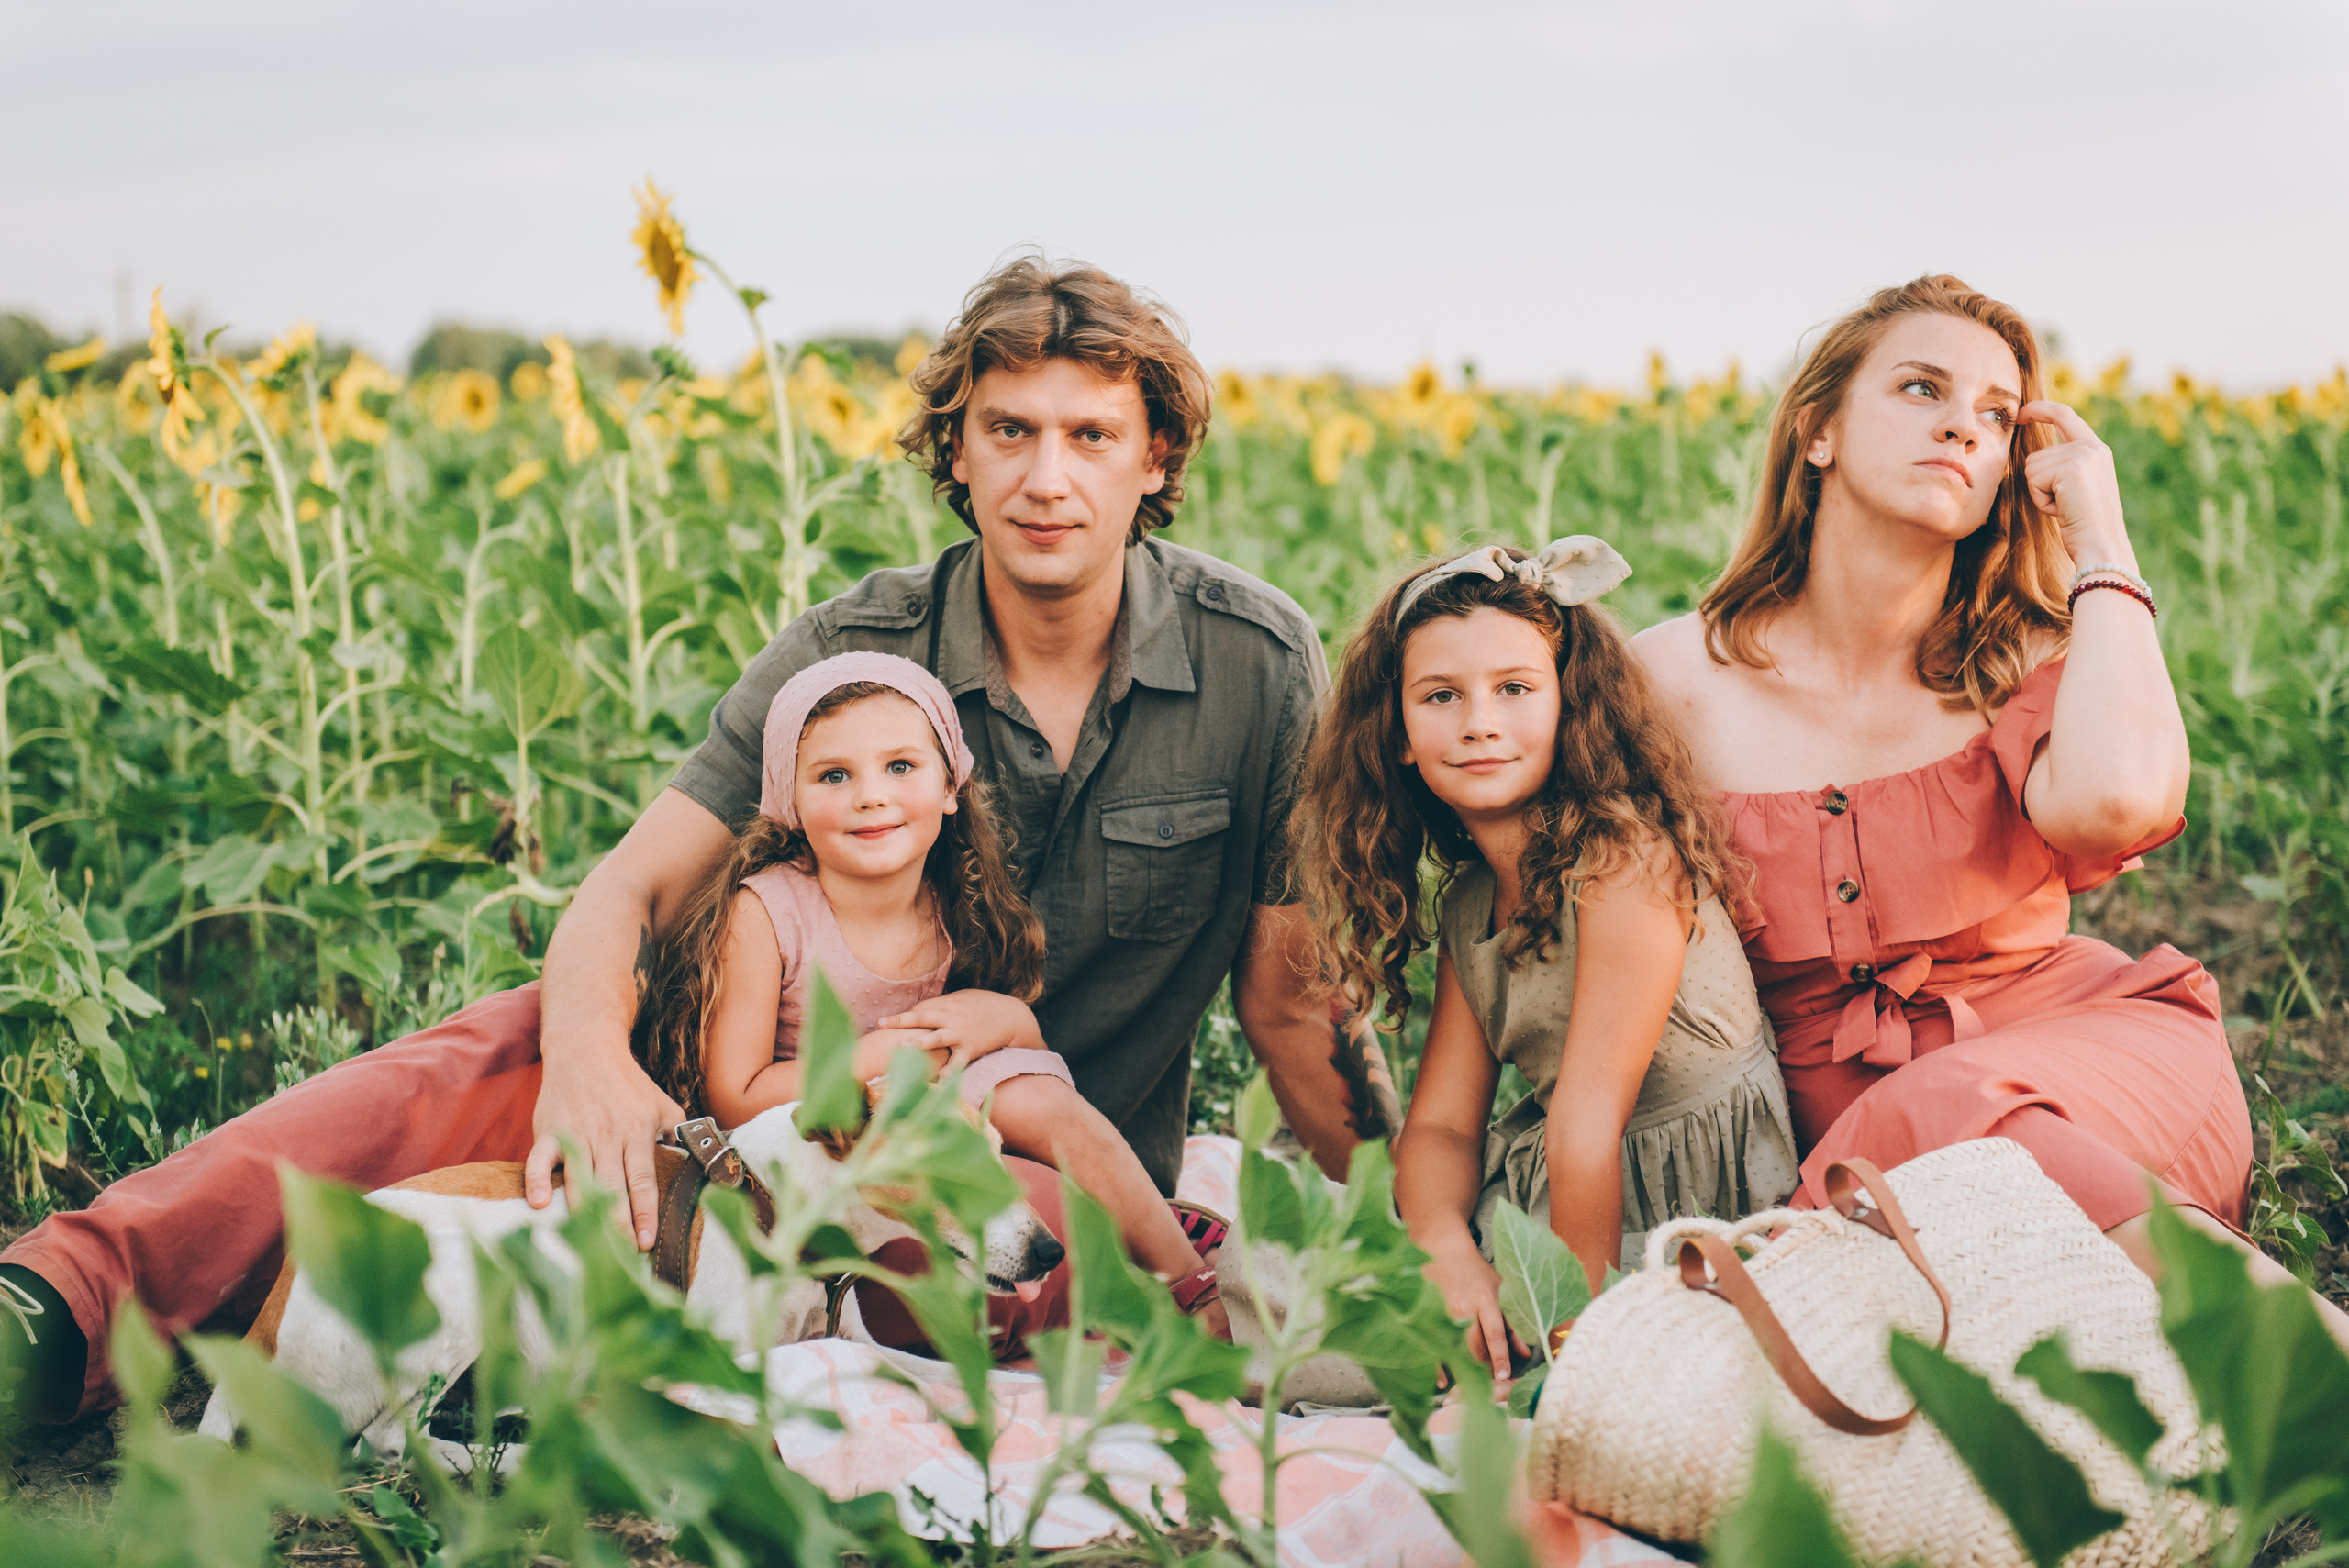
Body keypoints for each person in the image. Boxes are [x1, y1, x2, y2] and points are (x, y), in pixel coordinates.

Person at [1, 256, 1381, 1422]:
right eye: (1009, 429)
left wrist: (1393, 1229)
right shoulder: (859, 646)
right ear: (954, 450)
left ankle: (415, 1353)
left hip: (1012, 1154)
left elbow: (1292, 996)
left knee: (1027, 1267)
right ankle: (63, 1301)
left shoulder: (1256, 661)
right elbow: (629, 891)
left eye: (1090, 436)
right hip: (745, 1113)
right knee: (496, 1047)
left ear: (1158, 457)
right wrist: (593, 1070)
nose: (1046, 477)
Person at [1632, 272, 2347, 1340]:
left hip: (2089, 1068)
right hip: (1842, 1144)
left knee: (1946, 1118)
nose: (1963, 425)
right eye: (1921, 388)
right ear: (1817, 430)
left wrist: (2100, 544)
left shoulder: (2029, 657)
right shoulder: (1669, 679)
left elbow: (2115, 804)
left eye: (1998, 414)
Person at [1295, 538, 1798, 1390]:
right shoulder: (1469, 904)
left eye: (1516, 689)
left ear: (1572, 707)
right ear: (1400, 736)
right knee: (1298, 1325)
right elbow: (1446, 1127)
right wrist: (1449, 1253)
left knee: (1393, 1365)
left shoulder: (1624, 863)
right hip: (1546, 1203)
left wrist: (1573, 1334)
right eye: (1441, 696)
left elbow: (1587, 1123)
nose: (1479, 722)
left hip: (1678, 1217)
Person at [636, 652, 1225, 1329]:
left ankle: (1188, 1282)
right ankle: (1090, 1281)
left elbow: (1019, 1052)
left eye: (901, 766)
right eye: (834, 775)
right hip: (827, 1135)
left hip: (934, 1114)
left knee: (1039, 1096)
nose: (871, 795)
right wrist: (890, 1061)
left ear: (951, 786)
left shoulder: (951, 897)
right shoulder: (766, 912)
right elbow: (735, 1095)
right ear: (787, 803)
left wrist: (999, 1016)